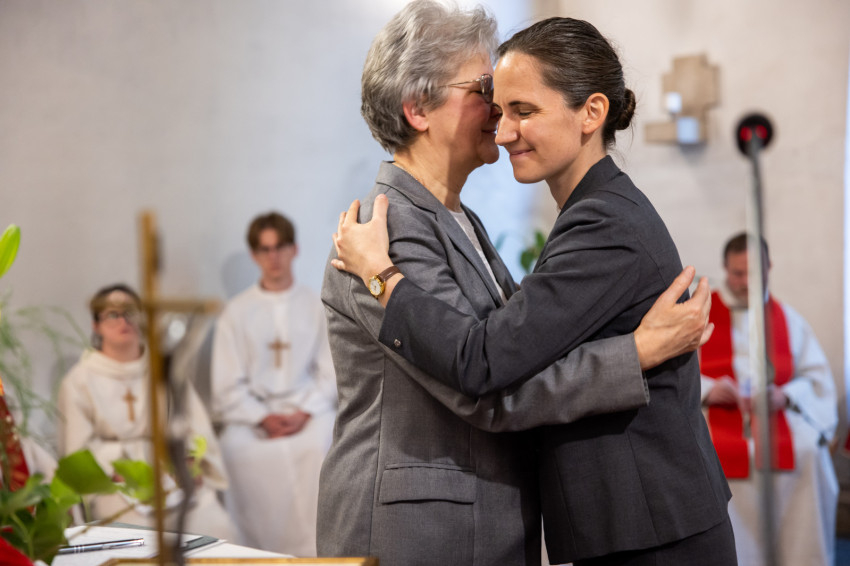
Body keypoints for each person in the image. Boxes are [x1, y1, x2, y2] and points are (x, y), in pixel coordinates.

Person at [320, 3, 719, 565]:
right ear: (418, 108)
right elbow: (482, 383)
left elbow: (505, 358)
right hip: (421, 526)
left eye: (517, 105)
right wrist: (632, 355)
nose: (499, 117)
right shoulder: (384, 230)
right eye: (484, 91)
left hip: (577, 521)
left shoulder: (466, 221)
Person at [699, 233, 838, 566]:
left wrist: (785, 394)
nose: (746, 283)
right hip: (713, 415)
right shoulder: (700, 316)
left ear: (769, 268)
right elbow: (672, 372)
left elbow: (816, 379)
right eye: (737, 273)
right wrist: (707, 388)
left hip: (775, 417)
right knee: (701, 457)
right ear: (724, 268)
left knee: (809, 451)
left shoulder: (788, 319)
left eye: (753, 273)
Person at [56, 284, 233, 539]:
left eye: (130, 312)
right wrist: (115, 467)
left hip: (171, 472)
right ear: (96, 325)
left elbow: (194, 424)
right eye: (112, 314)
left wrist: (190, 461)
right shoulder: (79, 380)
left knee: (214, 523)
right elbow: (76, 450)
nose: (123, 321)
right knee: (138, 535)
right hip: (117, 481)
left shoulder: (164, 369)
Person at [211, 211, 337, 556]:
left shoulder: (317, 305)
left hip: (308, 409)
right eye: (264, 249)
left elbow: (331, 372)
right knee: (234, 450)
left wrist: (303, 412)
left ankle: (318, 551)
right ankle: (252, 553)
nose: (273, 257)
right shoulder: (236, 312)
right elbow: (226, 384)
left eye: (280, 247)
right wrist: (261, 417)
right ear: (254, 255)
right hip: (255, 414)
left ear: (294, 249)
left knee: (321, 446)